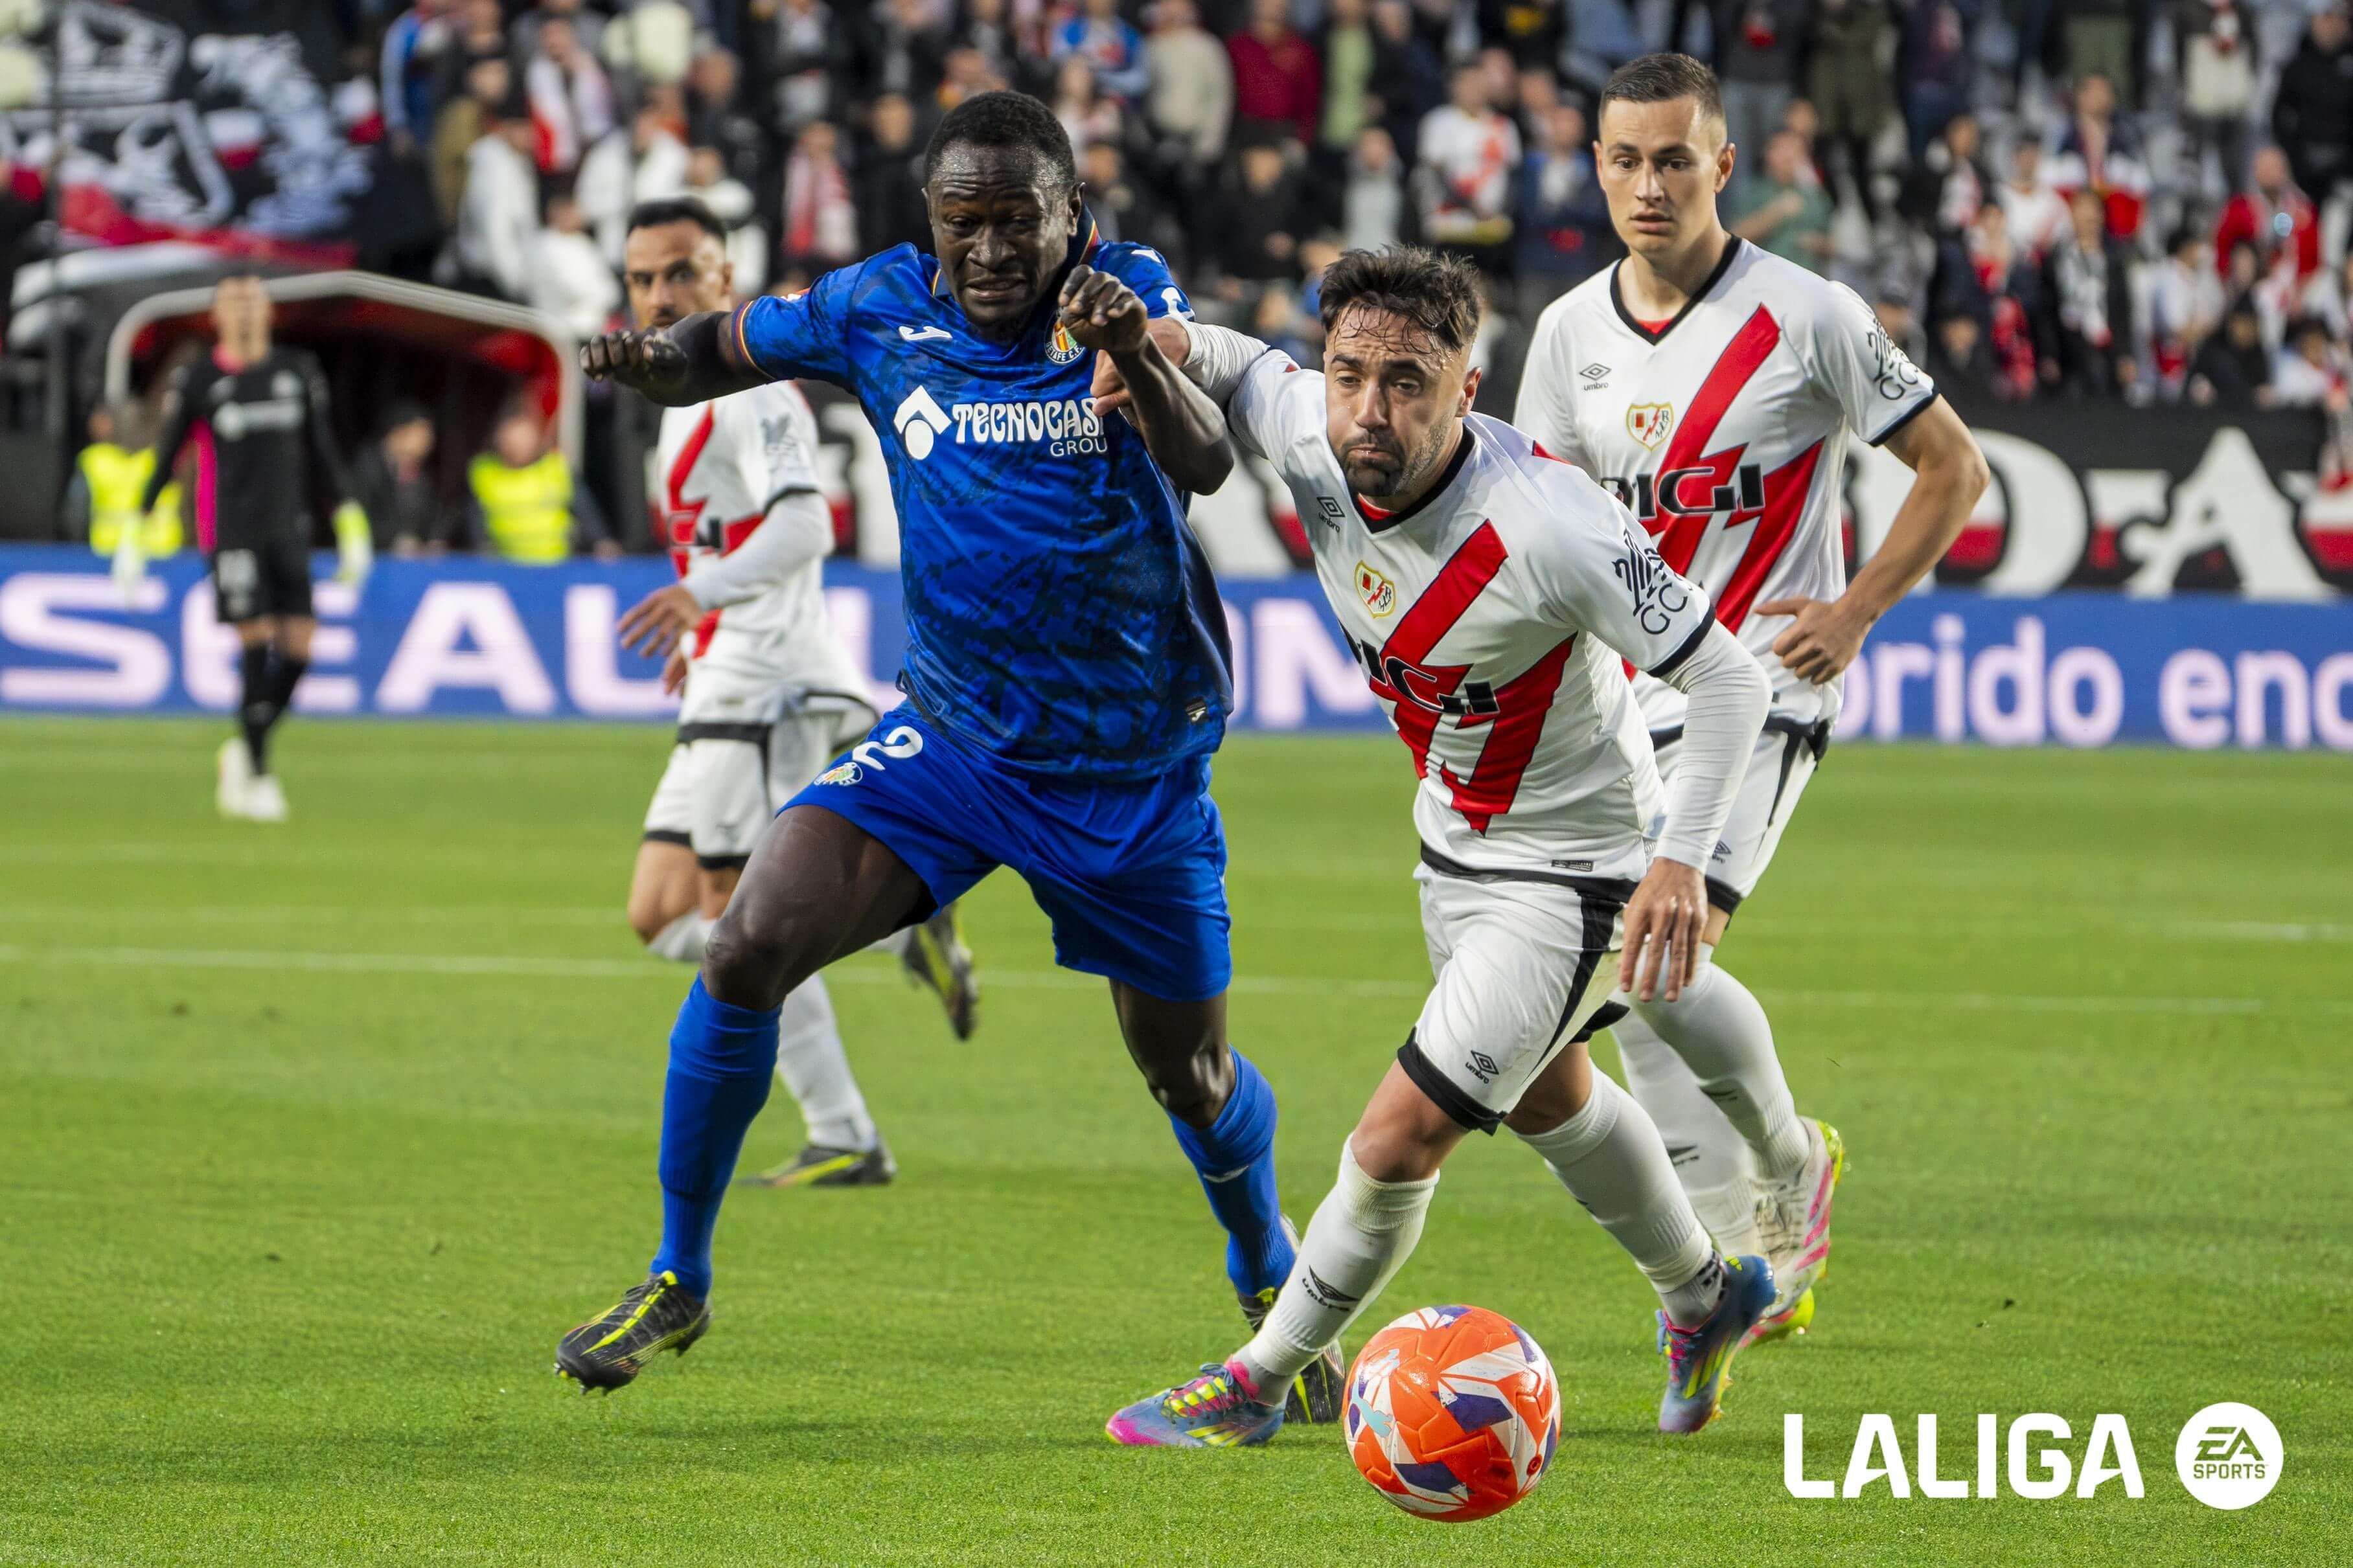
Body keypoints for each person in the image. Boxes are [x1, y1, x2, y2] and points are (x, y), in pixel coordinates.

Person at [553, 92, 1344, 1431]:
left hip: (1127, 771)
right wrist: (647, 359)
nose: (987, 251)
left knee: (1190, 1076)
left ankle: (1266, 1266)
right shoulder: (875, 305)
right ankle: (677, 1276)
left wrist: (1130, 350)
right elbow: (720, 346)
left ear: (1071, 214)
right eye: (960, 222)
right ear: (929, 221)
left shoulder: (1127, 295)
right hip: (954, 746)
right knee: (745, 946)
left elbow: (1207, 462)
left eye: (1016, 220)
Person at [1095, 246, 1780, 1446]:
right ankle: (1706, 1293)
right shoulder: (1316, 433)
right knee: (1553, 1099)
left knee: (1397, 1137)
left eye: (1407, 382)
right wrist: (1167, 344)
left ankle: (1260, 1379)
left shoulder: (1552, 524)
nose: (1370, 408)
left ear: (1467, 390)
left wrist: (1681, 858)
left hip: (1579, 875)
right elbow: (1242, 366)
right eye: (1349, 374)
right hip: (1454, 845)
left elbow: (1729, 677)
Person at [1514, 54, 1990, 1343]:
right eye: (1625, 160)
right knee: (1637, 973)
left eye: (1674, 160)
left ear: (1722, 165)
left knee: (1654, 950)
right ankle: (1739, 1236)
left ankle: (1783, 1163)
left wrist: (1855, 609)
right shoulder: (1566, 335)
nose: (1648, 185)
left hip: (1763, 687)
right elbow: (1543, 531)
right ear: (1596, 167)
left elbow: (1953, 469)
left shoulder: (1808, 314)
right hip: (1623, 703)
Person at [610, 196, 978, 1189]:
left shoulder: (755, 394)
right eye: (642, 278)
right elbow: (724, 534)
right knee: (661, 911)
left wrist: (701, 599)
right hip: (726, 670)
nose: (660, 296)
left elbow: (809, 522)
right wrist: (703, 623)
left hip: (766, 680)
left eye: (681, 273)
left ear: (726, 280)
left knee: (739, 917)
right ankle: (906, 929)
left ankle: (844, 1130)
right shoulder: (678, 404)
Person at [135, 277, 371, 823]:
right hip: (232, 532)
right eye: (233, 302)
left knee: (300, 648)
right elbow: (169, 453)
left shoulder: (296, 372)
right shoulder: (201, 379)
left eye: (253, 300)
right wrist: (136, 524)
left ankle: (246, 744)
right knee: (256, 638)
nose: (244, 310)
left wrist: (348, 514)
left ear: (269, 312)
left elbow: (322, 449)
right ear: (216, 315)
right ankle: (260, 773)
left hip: (289, 528)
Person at [464, 405, 612, 563]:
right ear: (499, 440)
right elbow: (473, 518)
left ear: (536, 439)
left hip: (556, 563)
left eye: (523, 440)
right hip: (504, 564)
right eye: (511, 441)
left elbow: (585, 510)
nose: (517, 447)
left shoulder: (557, 469)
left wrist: (601, 541)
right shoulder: (483, 472)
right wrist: (482, 549)